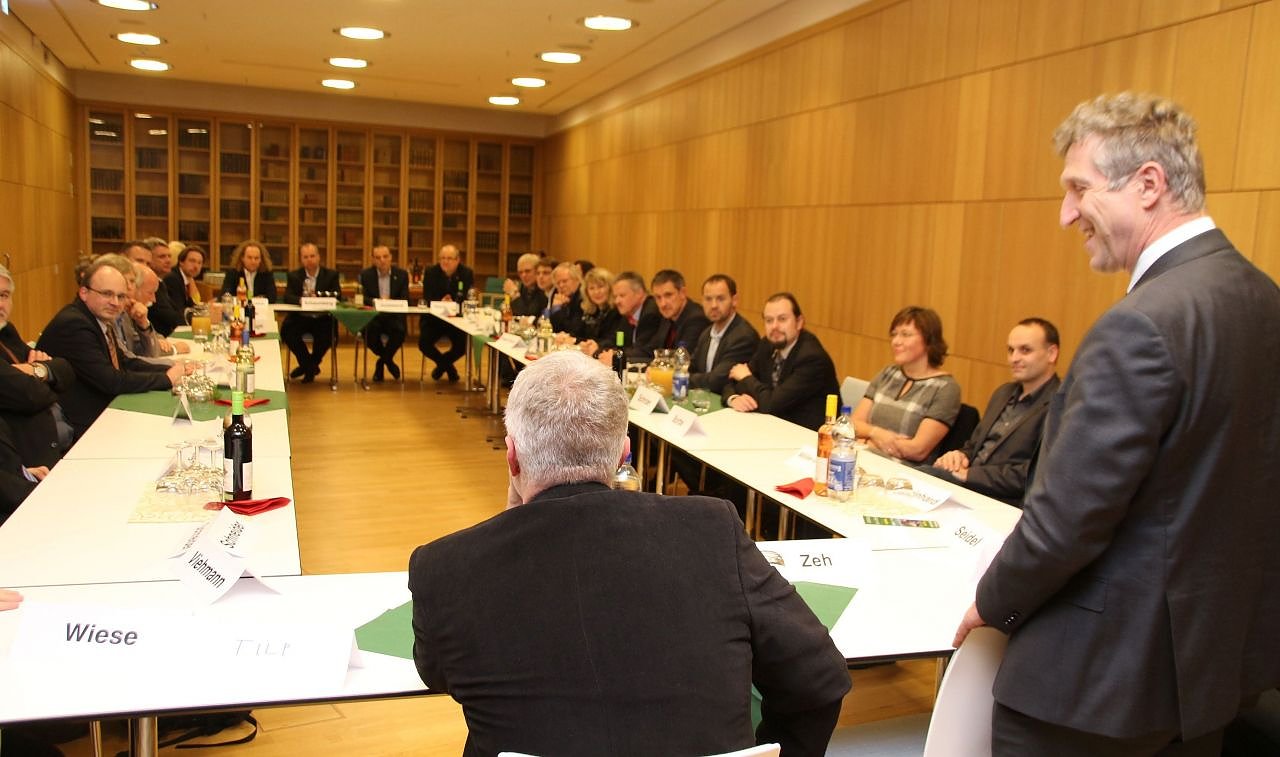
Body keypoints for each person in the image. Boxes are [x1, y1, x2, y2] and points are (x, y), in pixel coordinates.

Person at [953, 93, 1280, 755]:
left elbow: (1066, 521)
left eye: (1079, 188)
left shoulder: (1139, 325)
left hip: (1094, 690)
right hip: (1204, 677)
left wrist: (991, 603)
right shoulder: (1262, 297)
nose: (1066, 212)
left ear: (1149, 185)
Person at [408, 350, 851, 757]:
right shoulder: (711, 529)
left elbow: (438, 672)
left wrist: (508, 524)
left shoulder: (445, 569)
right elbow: (820, 679)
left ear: (511, 457)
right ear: (625, 454)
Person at [36, 256, 189, 436]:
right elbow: (111, 381)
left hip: (100, 409)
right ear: (84, 292)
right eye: (107, 294)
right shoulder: (75, 324)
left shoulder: (96, 318)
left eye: (121, 296)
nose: (115, 302)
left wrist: (170, 369)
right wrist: (166, 379)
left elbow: (125, 362)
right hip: (78, 424)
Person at [929, 318, 1060, 505]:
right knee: (911, 481)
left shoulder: (1060, 406)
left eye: (1025, 350)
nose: (1014, 358)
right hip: (964, 486)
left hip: (1002, 501)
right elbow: (973, 446)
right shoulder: (1003, 393)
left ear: (1051, 353)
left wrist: (969, 475)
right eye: (1011, 350)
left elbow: (1036, 473)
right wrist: (959, 456)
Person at [852, 306, 960, 463]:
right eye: (894, 334)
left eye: (906, 335)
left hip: (905, 470)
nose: (896, 341)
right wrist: (876, 433)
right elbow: (853, 424)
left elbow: (918, 450)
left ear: (929, 340)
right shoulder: (888, 373)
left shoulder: (945, 388)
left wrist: (869, 441)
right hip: (865, 459)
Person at [722, 293, 838, 431]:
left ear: (799, 322)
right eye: (769, 320)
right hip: (773, 427)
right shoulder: (767, 344)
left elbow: (770, 404)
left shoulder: (812, 358)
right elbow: (733, 381)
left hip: (808, 435)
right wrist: (734, 398)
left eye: (782, 319)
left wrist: (746, 377)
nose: (774, 326)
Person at [0, 265, 74, 467]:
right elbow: (28, 395)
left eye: (4, 295)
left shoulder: (6, 331)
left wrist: (36, 370)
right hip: (29, 461)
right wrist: (48, 378)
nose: (0, 304)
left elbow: (66, 370)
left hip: (59, 443)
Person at [281, 242, 341, 382]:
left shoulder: (331, 275)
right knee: (288, 332)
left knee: (326, 336)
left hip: (323, 318)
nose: (309, 259)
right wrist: (302, 300)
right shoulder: (294, 276)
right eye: (306, 257)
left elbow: (338, 296)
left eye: (312, 256)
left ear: (319, 257)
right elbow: (287, 297)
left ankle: (308, 366)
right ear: (301, 259)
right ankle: (310, 366)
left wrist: (319, 298)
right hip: (301, 318)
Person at [691, 274, 760, 394]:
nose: (713, 305)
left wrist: (678, 378)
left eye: (720, 299)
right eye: (708, 299)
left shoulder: (743, 337)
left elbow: (716, 381)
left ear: (734, 300)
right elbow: (691, 366)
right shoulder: (707, 333)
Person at [419, 244, 473, 382]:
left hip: (456, 321)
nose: (445, 261)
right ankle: (448, 367)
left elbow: (467, 298)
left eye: (449, 258)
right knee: (423, 343)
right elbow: (427, 297)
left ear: (457, 260)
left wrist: (453, 302)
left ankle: (441, 366)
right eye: (442, 258)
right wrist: (441, 301)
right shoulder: (431, 272)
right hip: (434, 320)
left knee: (464, 344)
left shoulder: (466, 273)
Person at [119, 262, 189, 362]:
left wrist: (156, 337)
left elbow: (152, 340)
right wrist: (173, 352)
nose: (154, 299)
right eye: (150, 293)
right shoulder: (119, 315)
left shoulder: (133, 311)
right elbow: (131, 355)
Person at [360, 245, 409, 382]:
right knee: (368, 333)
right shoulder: (366, 275)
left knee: (400, 331)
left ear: (391, 257)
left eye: (385, 256)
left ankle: (381, 362)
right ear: (373, 259)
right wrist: (377, 301)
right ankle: (389, 361)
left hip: (393, 316)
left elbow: (405, 298)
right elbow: (362, 298)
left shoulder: (402, 275)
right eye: (378, 257)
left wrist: (390, 302)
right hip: (374, 317)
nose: (382, 260)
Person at [122, 240, 182, 336]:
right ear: (122, 259)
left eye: (148, 264)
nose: (144, 267)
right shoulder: (117, 301)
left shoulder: (155, 283)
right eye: (139, 261)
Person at [650, 269, 710, 353]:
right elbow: (651, 349)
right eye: (658, 297)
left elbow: (682, 357)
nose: (663, 304)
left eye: (668, 295)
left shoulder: (697, 319)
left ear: (683, 293)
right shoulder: (668, 316)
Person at [570, 266, 623, 343]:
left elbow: (613, 341)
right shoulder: (590, 311)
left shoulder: (618, 311)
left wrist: (576, 340)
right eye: (592, 288)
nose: (596, 292)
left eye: (600, 287)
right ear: (586, 292)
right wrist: (567, 337)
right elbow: (577, 333)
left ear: (611, 288)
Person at [504, 252, 546, 316]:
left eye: (527, 271)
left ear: (537, 271)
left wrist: (515, 295)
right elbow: (514, 313)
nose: (523, 275)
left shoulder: (543, 289)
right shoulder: (523, 287)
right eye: (520, 272)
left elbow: (528, 316)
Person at [546, 261, 583, 334]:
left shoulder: (584, 298)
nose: (561, 285)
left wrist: (558, 310)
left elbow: (573, 330)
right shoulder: (559, 296)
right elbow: (554, 329)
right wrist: (556, 308)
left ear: (577, 280)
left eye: (565, 281)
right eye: (558, 283)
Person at [163, 244, 204, 309]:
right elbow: (180, 309)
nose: (196, 266)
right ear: (181, 262)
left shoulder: (186, 279)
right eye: (192, 261)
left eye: (199, 263)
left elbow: (191, 305)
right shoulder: (173, 279)